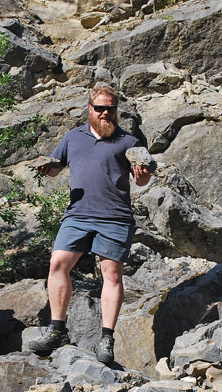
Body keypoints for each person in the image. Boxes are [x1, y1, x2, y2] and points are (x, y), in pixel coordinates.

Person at [29, 84, 152, 364]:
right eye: (100, 108)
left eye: (111, 108)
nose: (106, 113)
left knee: (111, 275)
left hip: (116, 216)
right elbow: (55, 167)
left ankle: (106, 340)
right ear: (90, 109)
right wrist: (47, 169)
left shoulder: (128, 142)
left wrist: (143, 174)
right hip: (78, 214)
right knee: (58, 263)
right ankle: (56, 330)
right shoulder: (73, 138)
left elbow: (141, 180)